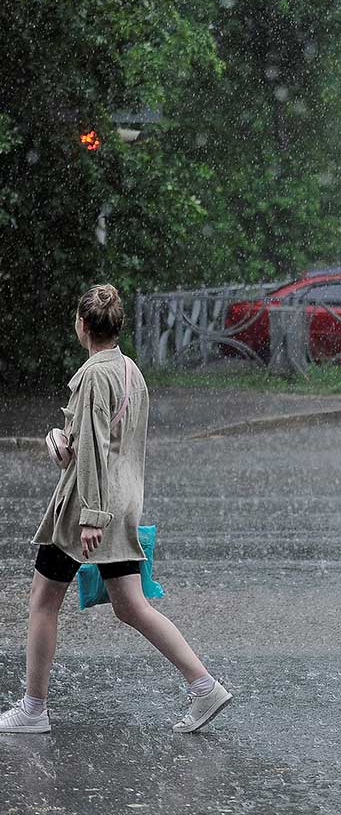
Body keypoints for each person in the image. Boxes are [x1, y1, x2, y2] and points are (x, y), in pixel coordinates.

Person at [0, 285, 231, 734]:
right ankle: (204, 687)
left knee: (43, 602)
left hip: (87, 511)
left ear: (82, 326)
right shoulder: (131, 371)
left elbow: (93, 452)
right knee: (131, 606)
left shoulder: (92, 376)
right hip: (122, 503)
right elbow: (114, 443)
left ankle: (33, 709)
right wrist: (63, 445)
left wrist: (89, 514)